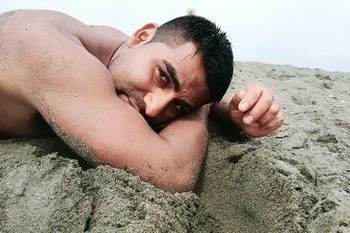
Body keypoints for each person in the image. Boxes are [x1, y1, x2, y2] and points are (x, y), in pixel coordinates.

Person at [0, 10, 283, 192]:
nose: (154, 107)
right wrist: (199, 109)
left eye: (178, 107)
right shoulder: (57, 57)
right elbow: (171, 172)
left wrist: (233, 112)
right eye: (162, 76)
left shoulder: (118, 50)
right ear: (142, 36)